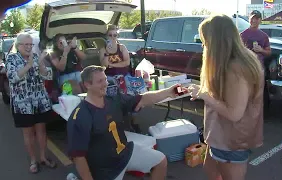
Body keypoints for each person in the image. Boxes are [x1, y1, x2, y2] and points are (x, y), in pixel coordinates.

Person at [67, 65, 185, 180]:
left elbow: (142, 99)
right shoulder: (80, 116)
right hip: (104, 170)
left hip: (125, 153)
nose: (105, 84)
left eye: (105, 79)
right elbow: (78, 157)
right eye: (99, 81)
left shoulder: (113, 99)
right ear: (87, 84)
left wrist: (169, 92)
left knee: (160, 161)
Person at [188, 14, 264, 180]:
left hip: (230, 141)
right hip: (221, 136)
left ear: (216, 42)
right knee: (210, 169)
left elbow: (234, 113)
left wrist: (204, 95)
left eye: (205, 41)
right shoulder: (240, 59)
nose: (204, 45)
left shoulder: (235, 67)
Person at [5, 33, 57, 173]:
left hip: (40, 100)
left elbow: (47, 75)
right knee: (28, 134)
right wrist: (28, 65)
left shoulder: (35, 57)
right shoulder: (12, 58)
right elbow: (13, 78)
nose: (29, 47)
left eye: (30, 44)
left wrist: (40, 63)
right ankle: (33, 161)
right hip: (23, 104)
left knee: (41, 130)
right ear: (18, 45)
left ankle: (43, 157)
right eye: (25, 44)